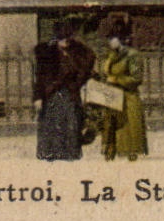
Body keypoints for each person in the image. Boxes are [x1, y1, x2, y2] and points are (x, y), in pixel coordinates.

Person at [34, 16, 94, 161]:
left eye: (67, 39)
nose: (65, 42)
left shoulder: (77, 52)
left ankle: (70, 153)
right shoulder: (48, 54)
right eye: (62, 39)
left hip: (70, 92)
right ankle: (51, 153)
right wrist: (38, 97)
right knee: (52, 123)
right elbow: (40, 77)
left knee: (71, 123)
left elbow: (88, 63)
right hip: (52, 93)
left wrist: (79, 79)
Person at [96, 16, 147, 161]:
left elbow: (136, 78)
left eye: (113, 38)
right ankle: (110, 152)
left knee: (127, 128)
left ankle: (131, 156)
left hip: (128, 97)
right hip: (111, 95)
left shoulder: (133, 55)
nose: (110, 42)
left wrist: (117, 79)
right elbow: (105, 73)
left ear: (121, 39)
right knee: (110, 125)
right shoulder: (110, 55)